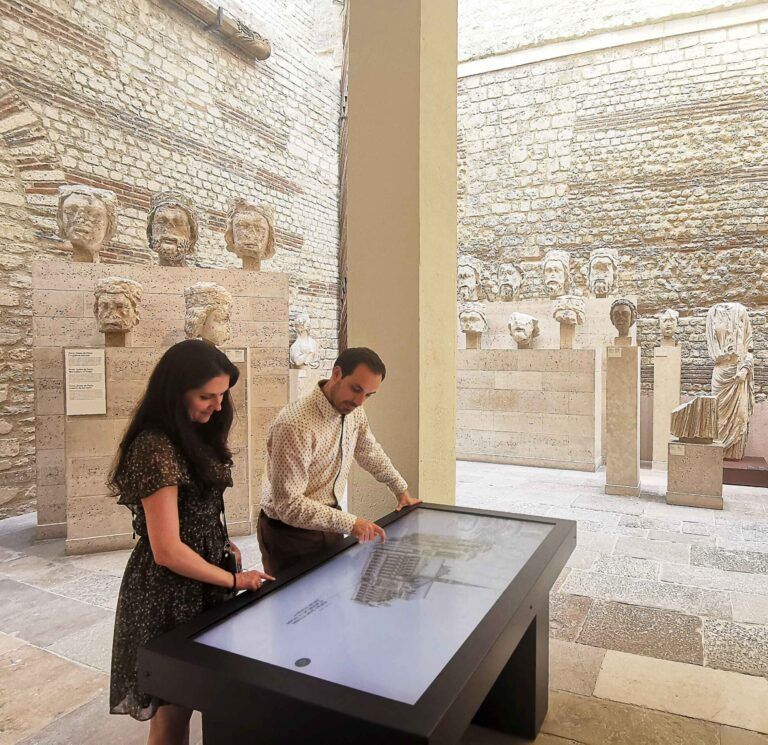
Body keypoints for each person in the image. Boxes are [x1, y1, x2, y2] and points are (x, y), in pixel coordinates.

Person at [109, 339, 273, 744]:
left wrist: (221, 545)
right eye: (206, 396)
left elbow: (194, 511)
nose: (217, 406)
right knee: (172, 709)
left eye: (222, 396)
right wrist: (235, 580)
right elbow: (166, 549)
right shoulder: (155, 446)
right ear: (174, 390)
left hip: (201, 579)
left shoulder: (191, 432)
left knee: (193, 697)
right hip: (167, 592)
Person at [259, 347, 421, 576]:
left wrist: (400, 490)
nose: (360, 401)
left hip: (329, 522)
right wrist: (351, 523)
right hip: (289, 535)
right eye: (356, 389)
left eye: (368, 395)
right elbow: (288, 506)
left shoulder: (354, 411)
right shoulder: (294, 425)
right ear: (336, 374)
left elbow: (369, 451)